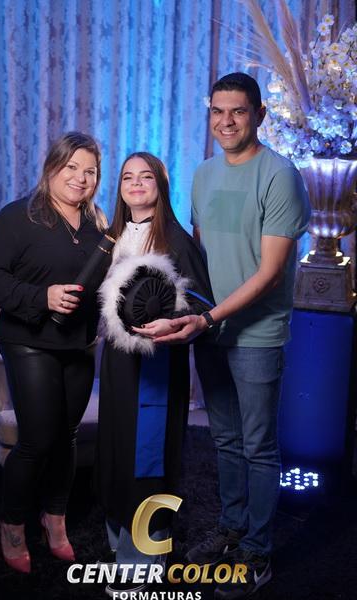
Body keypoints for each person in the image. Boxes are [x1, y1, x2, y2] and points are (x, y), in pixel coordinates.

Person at [150, 73, 311, 599]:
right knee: (225, 439)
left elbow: (269, 273)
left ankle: (257, 553)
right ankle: (233, 528)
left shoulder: (279, 176)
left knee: (258, 446)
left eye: (238, 111)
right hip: (209, 327)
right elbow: (198, 258)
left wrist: (210, 317)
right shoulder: (202, 174)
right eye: (218, 111)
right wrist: (181, 307)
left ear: (259, 115)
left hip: (256, 334)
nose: (226, 121)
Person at [0, 132, 109, 574]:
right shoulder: (17, 216)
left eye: (90, 171)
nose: (80, 178)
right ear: (52, 166)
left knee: (66, 436)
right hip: (28, 340)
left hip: (80, 343)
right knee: (36, 439)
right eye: (71, 167)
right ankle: (13, 524)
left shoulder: (98, 224)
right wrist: (42, 297)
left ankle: (55, 518)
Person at [96, 152, 214, 599]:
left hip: (158, 363)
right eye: (128, 177)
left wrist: (174, 321)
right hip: (116, 362)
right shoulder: (110, 237)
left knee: (149, 459)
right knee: (115, 451)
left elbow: (204, 303)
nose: (136, 183)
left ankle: (144, 562)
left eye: (146, 176)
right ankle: (119, 547)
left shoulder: (176, 240)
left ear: (160, 186)